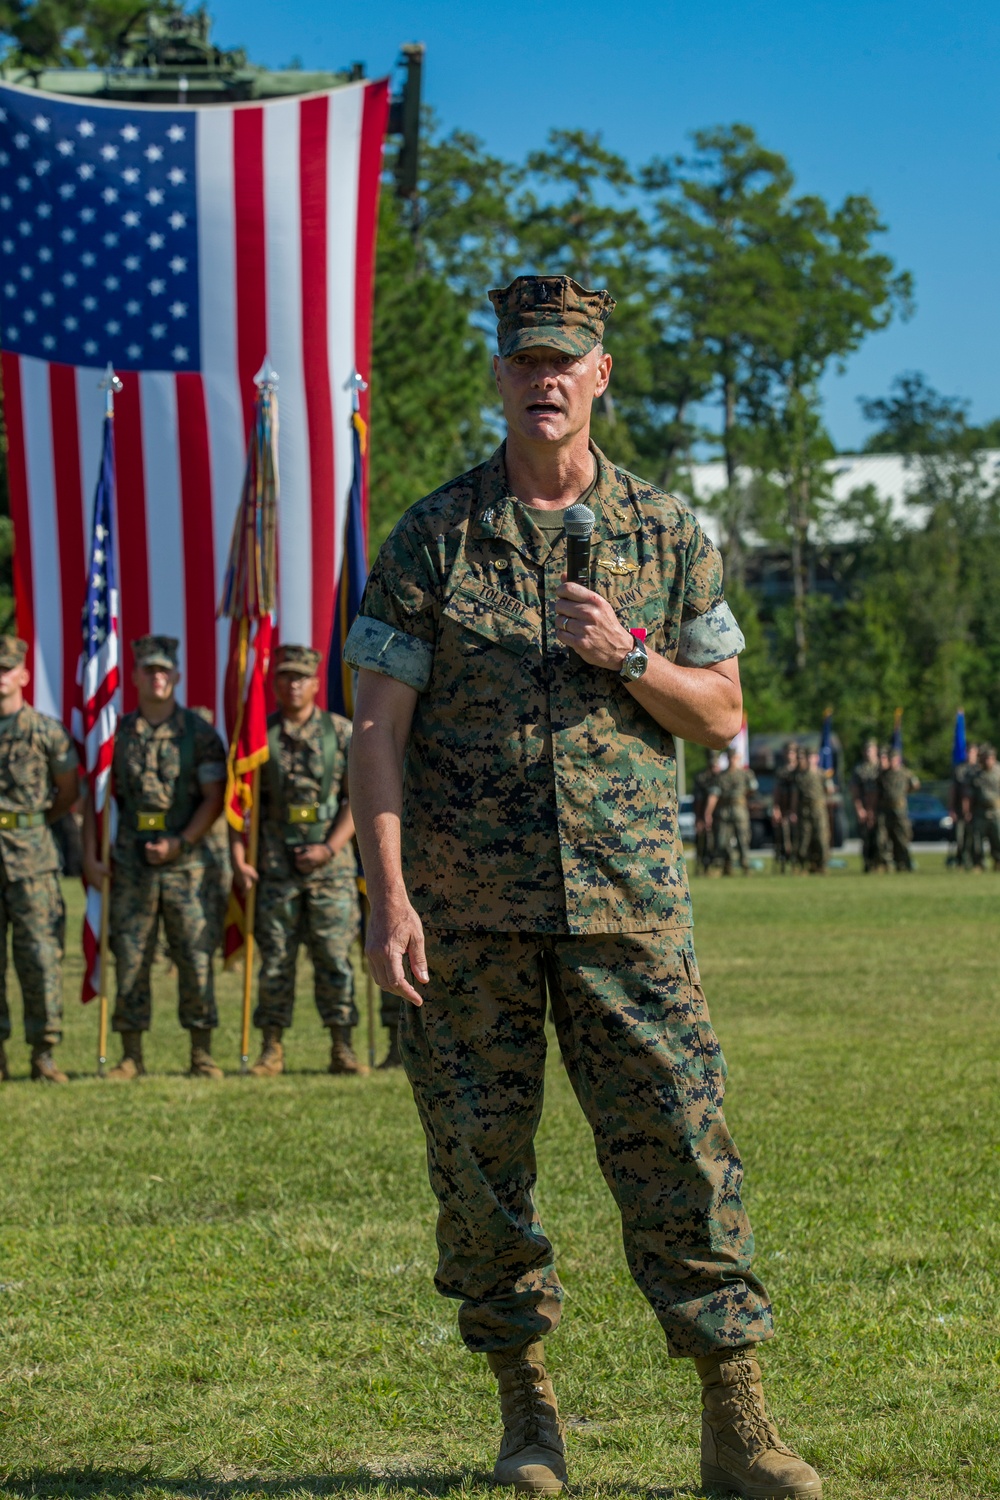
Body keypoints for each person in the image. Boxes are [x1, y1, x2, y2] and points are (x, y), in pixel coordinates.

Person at [345, 275, 821, 1500]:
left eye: (566, 359)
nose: (544, 378)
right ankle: (527, 1415)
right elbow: (374, 734)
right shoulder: (433, 537)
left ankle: (738, 1424)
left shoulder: (668, 534)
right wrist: (388, 897)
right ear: (499, 378)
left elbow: (723, 717)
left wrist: (631, 654)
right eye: (525, 360)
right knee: (479, 1168)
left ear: (600, 374)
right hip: (470, 919)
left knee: (680, 1152)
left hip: (627, 908)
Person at [83, 636, 227, 1079]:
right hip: (130, 863)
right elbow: (96, 798)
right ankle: (131, 1055)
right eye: (149, 670)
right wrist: (90, 855)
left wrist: (180, 843)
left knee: (194, 955)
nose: (157, 677)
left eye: (164, 670)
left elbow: (214, 798)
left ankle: (201, 1053)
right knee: (131, 955)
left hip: (187, 864)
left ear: (177, 676)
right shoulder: (116, 734)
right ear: (135, 676)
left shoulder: (200, 733)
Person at [230, 644, 364, 1077]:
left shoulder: (341, 733)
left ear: (315, 682)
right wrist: (240, 858)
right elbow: (243, 804)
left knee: (334, 957)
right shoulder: (258, 738)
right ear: (275, 684)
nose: (293, 685)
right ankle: (271, 1049)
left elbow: (357, 798)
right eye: (285, 677)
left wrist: (329, 847)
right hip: (275, 865)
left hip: (331, 866)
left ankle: (342, 1047)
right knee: (276, 959)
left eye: (301, 677)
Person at [0, 637, 79, 1084]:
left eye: (7, 668)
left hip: (33, 860)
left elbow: (67, 794)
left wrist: (29, 823)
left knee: (41, 957)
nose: (1, 676)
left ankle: (43, 1053)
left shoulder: (46, 731)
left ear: (24, 675)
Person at [704, 748, 757, 875]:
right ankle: (725, 866)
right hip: (724, 810)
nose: (732, 760)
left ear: (738, 758)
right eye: (730, 757)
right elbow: (714, 796)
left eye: (734, 757)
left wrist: (742, 800)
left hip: (739, 809)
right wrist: (708, 813)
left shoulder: (746, 774)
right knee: (722, 839)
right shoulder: (721, 776)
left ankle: (745, 865)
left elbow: (753, 789)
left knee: (743, 838)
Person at [876, 749, 919, 872]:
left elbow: (915, 785)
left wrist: (904, 795)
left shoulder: (905, 773)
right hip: (885, 809)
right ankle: (885, 863)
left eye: (894, 759)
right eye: (890, 759)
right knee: (883, 838)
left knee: (902, 837)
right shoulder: (884, 775)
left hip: (900, 810)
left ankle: (904, 863)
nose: (892, 762)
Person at [793, 750, 830, 875]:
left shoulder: (822, 774)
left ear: (817, 758)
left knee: (821, 837)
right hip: (804, 809)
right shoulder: (800, 776)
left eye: (812, 757)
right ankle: (804, 864)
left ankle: (821, 864)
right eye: (808, 756)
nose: (810, 759)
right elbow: (795, 795)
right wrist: (793, 811)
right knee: (804, 838)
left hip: (818, 809)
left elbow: (829, 791)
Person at [850, 739, 883, 873]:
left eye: (871, 749)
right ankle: (868, 864)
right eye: (866, 750)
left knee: (881, 838)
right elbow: (855, 791)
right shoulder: (859, 769)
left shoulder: (882, 768)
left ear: (876, 751)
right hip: (865, 807)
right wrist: (860, 809)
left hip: (880, 808)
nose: (868, 753)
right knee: (866, 838)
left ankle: (881, 864)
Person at [950, 741, 979, 870]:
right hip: (960, 809)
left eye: (972, 752)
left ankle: (975, 862)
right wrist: (951, 809)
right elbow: (953, 790)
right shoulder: (959, 769)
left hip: (977, 809)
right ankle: (960, 861)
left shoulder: (979, 770)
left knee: (974, 838)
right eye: (968, 752)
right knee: (960, 838)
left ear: (976, 753)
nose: (969, 755)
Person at [970, 744, 1000, 870]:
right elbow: (969, 794)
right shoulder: (976, 773)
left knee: (998, 838)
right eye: (985, 758)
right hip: (980, 812)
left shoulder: (999, 771)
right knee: (977, 840)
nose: (988, 761)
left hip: (996, 812)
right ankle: (979, 863)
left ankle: (998, 862)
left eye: (990, 758)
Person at [691, 750, 720, 875]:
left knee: (718, 841)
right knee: (702, 841)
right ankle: (702, 867)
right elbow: (698, 799)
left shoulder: (721, 777)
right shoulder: (701, 778)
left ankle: (717, 867)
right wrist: (699, 818)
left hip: (720, 815)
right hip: (704, 815)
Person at [771, 740, 798, 873]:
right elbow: (776, 791)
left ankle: (800, 864)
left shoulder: (800, 770)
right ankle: (785, 863)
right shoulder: (780, 772)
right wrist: (776, 808)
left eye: (792, 752)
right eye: (787, 752)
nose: (789, 755)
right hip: (785, 809)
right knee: (784, 838)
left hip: (799, 810)